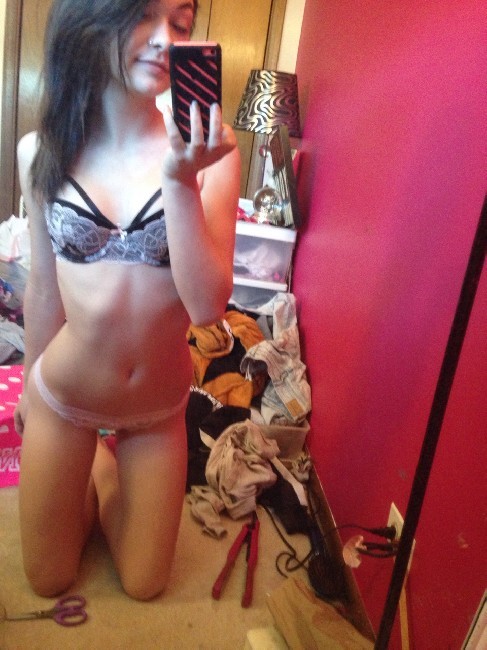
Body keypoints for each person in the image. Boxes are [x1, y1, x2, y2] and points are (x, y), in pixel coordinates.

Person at [15, 0, 240, 601]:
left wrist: (179, 180)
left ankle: (102, 467)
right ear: (94, 18)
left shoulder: (213, 154)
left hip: (157, 406)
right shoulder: (41, 151)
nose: (166, 39)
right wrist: (30, 388)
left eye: (181, 23)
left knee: (145, 585)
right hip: (65, 395)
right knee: (48, 579)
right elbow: (43, 288)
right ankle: (84, 455)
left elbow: (207, 307)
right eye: (142, 15)